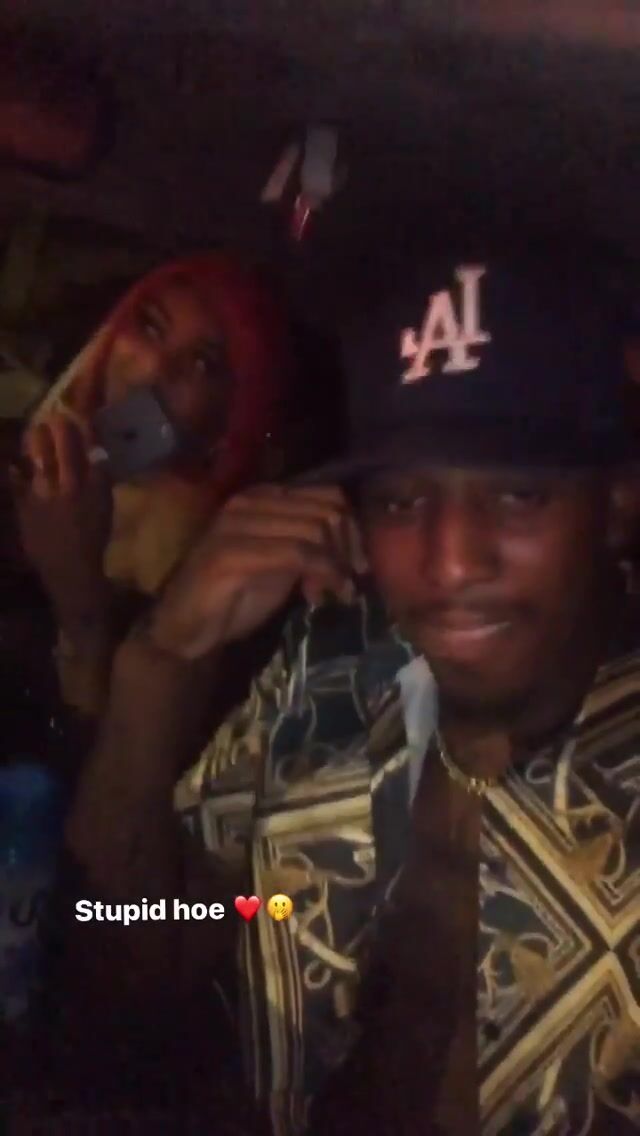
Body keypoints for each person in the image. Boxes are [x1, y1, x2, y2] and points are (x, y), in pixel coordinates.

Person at [62, 251, 640, 1135]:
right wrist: (162, 657)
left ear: (618, 506)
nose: (451, 562)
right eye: (402, 501)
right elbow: (133, 950)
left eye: (519, 494)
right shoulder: (335, 673)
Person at [14, 252, 292, 717]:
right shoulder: (33, 453)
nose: (153, 369)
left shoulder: (203, 581)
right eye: (148, 328)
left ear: (228, 425)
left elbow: (100, 745)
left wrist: (77, 597)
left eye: (201, 363)